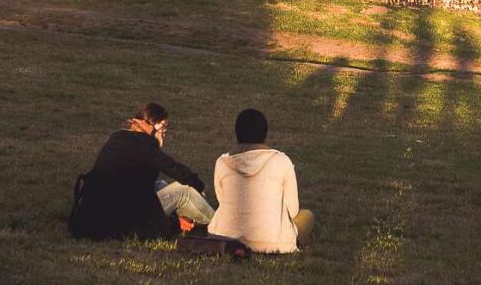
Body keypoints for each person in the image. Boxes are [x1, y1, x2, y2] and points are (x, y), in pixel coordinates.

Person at [69, 103, 214, 240]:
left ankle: (183, 219)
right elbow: (174, 168)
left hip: (97, 210)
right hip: (123, 217)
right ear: (153, 125)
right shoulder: (145, 145)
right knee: (184, 191)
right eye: (164, 127)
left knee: (160, 184)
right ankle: (223, 226)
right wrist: (198, 186)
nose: (165, 132)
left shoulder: (118, 138)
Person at [206, 108, 315, 254]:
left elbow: (222, 200)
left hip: (225, 238)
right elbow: (292, 210)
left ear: (237, 133)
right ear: (265, 133)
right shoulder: (281, 161)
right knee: (307, 216)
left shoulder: (222, 162)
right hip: (272, 241)